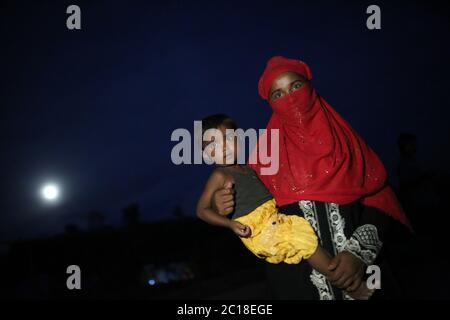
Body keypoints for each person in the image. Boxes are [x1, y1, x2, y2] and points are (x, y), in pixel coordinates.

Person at [210, 56, 413, 300]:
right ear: (271, 103)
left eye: (296, 86)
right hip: (296, 284)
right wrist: (222, 204)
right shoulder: (264, 158)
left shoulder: (348, 144)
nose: (290, 98)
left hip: (365, 274)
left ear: (310, 87)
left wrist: (359, 253)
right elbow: (249, 210)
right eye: (278, 94)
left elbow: (381, 199)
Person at [196, 114, 373, 299]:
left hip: (273, 219)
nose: (223, 147)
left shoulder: (250, 169)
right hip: (258, 229)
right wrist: (229, 224)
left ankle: (337, 278)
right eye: (213, 145)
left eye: (228, 139)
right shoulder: (219, 175)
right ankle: (349, 285)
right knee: (303, 241)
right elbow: (202, 210)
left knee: (303, 236)